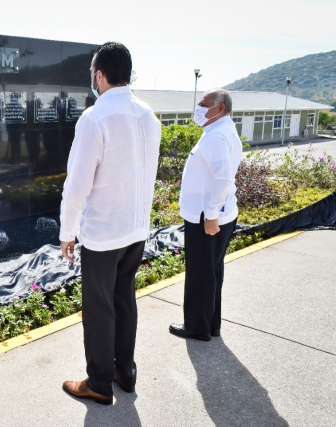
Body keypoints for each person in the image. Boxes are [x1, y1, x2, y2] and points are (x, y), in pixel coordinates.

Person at [60, 42, 161, 405]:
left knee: (100, 307)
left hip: (103, 233)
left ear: (99, 75)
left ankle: (99, 383)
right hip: (135, 231)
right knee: (124, 301)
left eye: (92, 74)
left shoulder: (95, 119)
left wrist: (66, 232)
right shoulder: (149, 115)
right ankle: (124, 371)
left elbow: (77, 185)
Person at [169, 89, 242, 341]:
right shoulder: (221, 130)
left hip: (206, 218)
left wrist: (210, 215)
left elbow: (222, 179)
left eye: (204, 104)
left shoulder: (217, 137)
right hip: (215, 214)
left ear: (219, 108)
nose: (198, 107)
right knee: (212, 271)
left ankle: (197, 327)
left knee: (200, 272)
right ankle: (211, 323)